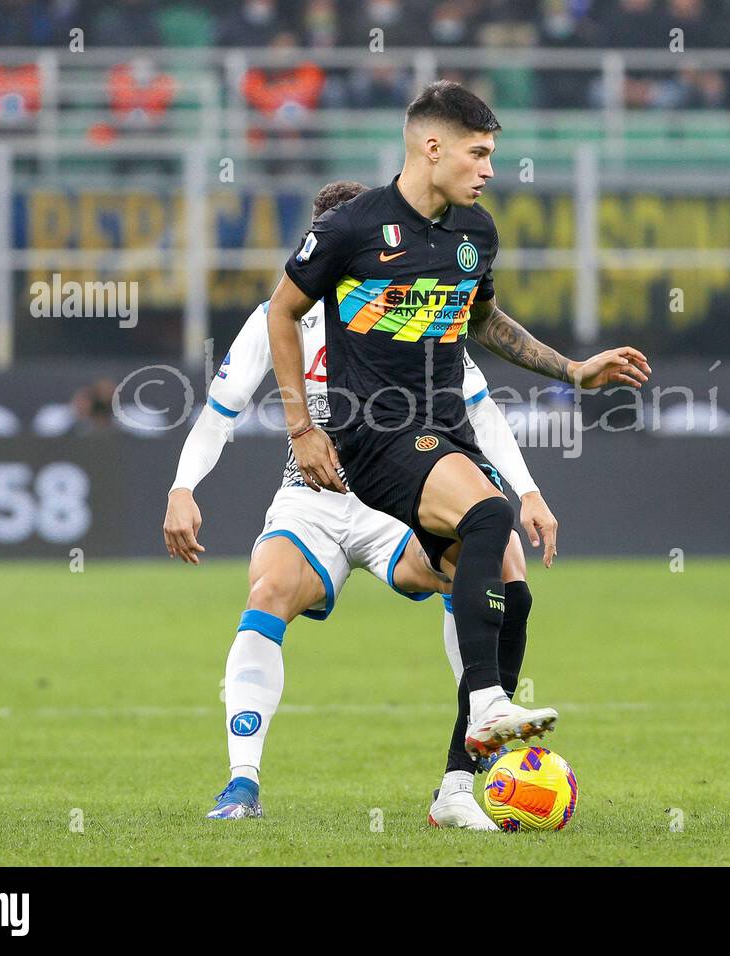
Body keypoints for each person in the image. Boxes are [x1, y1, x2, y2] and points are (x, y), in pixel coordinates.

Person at [266, 81, 650, 762]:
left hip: (446, 432)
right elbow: (281, 312)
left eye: (493, 154)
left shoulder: (476, 233)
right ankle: (488, 706)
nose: (490, 169)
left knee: (511, 591)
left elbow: (483, 320)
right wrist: (303, 427)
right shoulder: (352, 227)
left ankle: (455, 787)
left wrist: (572, 370)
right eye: (478, 153)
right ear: (431, 146)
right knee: (488, 513)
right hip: (375, 434)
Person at [166, 179, 560, 828]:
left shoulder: (417, 310)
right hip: (312, 498)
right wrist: (183, 487)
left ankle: (460, 779)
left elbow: (481, 408)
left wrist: (528, 491)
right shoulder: (281, 315)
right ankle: (241, 784)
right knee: (267, 591)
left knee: (497, 563)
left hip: (397, 497)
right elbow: (219, 413)